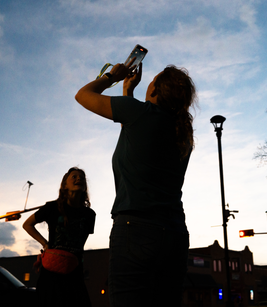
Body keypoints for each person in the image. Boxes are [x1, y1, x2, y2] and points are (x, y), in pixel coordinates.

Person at [75, 61, 197, 307]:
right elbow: (135, 137)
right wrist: (127, 93)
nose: (148, 82)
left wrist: (113, 76)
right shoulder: (181, 131)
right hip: (174, 234)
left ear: (155, 90)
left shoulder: (138, 113)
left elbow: (83, 95)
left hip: (136, 228)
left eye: (152, 80)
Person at [23, 167, 96, 307]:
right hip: (51, 273)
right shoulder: (52, 207)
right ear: (64, 185)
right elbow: (27, 224)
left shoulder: (90, 215)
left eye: (82, 177)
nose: (79, 179)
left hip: (74, 273)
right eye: (74, 176)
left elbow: (81, 244)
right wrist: (45, 243)